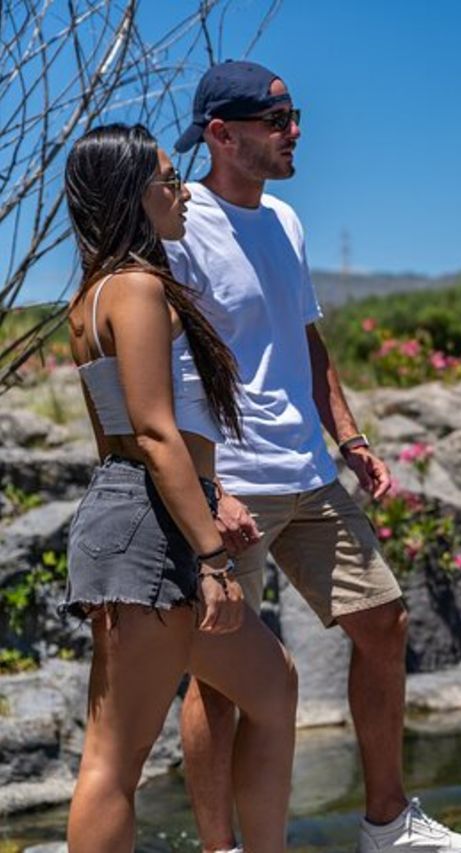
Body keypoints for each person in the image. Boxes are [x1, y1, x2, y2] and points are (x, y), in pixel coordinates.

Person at [163, 61, 461, 853]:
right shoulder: (180, 225)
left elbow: (307, 342)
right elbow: (162, 372)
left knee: (385, 622)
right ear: (221, 134)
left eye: (294, 116)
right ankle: (220, 847)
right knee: (218, 676)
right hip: (230, 485)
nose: (295, 131)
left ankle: (387, 823)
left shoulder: (288, 221)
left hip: (309, 472)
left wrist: (352, 438)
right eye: (277, 122)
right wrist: (203, 490)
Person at [60, 124, 297, 853]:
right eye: (167, 179)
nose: (182, 192)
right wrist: (213, 558)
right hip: (146, 527)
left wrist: (211, 496)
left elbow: (136, 436)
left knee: (274, 687)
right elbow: (153, 434)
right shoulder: (132, 289)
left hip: (146, 510)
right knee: (114, 760)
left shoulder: (101, 290)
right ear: (134, 195)